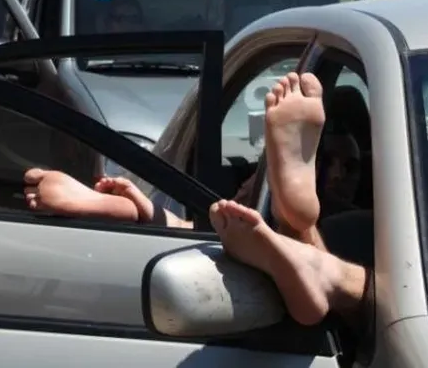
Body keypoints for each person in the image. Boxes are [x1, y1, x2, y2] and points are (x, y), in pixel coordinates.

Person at [24, 72, 374, 330]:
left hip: (342, 279)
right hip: (364, 284)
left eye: (351, 167)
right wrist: (141, 208)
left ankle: (303, 240)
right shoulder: (387, 229)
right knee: (235, 227)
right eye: (325, 163)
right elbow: (205, 231)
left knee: (269, 230)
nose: (339, 176)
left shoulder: (364, 226)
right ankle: (298, 233)